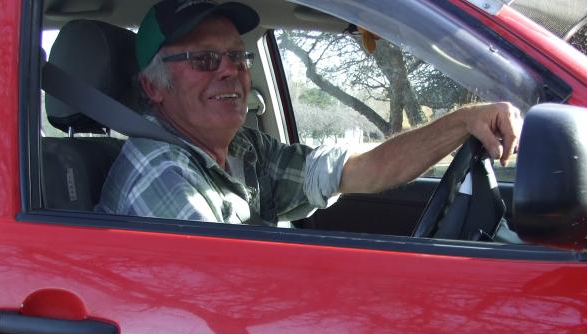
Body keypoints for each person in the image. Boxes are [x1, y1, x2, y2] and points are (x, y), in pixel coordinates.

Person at [97, 0, 522, 226]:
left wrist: (463, 121)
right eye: (205, 59)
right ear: (153, 86)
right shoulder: (157, 170)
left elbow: (359, 169)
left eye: (236, 56)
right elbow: (224, 298)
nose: (230, 70)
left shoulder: (245, 148)